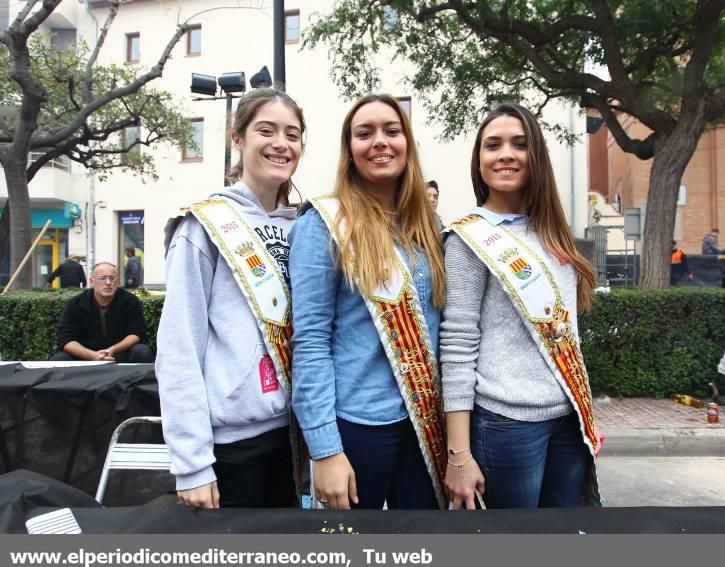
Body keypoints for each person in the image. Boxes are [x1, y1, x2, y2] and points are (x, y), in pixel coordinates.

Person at [441, 103, 602, 510]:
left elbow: (566, 334)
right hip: (506, 425)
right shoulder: (467, 240)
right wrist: (459, 454)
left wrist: (584, 412)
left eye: (519, 144)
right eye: (492, 145)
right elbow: (458, 345)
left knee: (562, 539)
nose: (505, 154)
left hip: (567, 420)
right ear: (479, 161)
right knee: (511, 545)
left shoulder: (552, 232)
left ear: (537, 157)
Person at [289, 94, 446, 511]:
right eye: (365, 133)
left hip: (426, 420)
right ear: (350, 150)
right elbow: (310, 341)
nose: (380, 142)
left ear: (407, 143)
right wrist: (324, 449)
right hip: (357, 426)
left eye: (392, 131)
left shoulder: (430, 226)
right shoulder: (322, 225)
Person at [156, 88, 305, 509]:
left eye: (292, 135)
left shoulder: (305, 227)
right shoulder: (204, 225)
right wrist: (192, 465)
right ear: (236, 139)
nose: (281, 144)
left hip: (293, 437)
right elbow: (179, 346)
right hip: (231, 446)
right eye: (267, 130)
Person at [50, 262, 153, 362]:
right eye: (103, 278)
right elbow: (66, 339)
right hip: (85, 354)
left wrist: (112, 350)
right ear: (92, 281)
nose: (108, 283)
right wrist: (92, 355)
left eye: (112, 278)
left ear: (117, 282)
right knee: (59, 359)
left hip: (120, 352)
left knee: (142, 352)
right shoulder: (76, 304)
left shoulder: (130, 301)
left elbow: (137, 333)